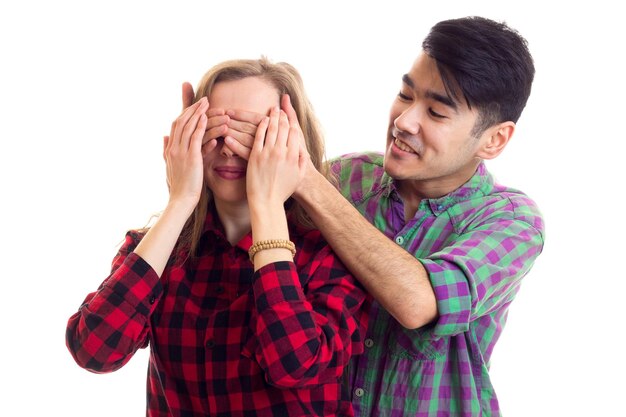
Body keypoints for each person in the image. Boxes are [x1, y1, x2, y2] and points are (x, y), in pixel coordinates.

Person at [219, 16, 545, 416]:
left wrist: (305, 178)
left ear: (494, 139)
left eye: (437, 113)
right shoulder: (346, 177)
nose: (404, 122)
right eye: (405, 95)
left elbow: (418, 303)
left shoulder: (511, 222)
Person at [66, 57, 369, 417]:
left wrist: (268, 202)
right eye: (214, 130)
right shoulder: (158, 249)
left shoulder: (327, 255)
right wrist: (180, 201)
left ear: (291, 144)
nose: (228, 148)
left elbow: (295, 366)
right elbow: (94, 351)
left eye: (253, 135)